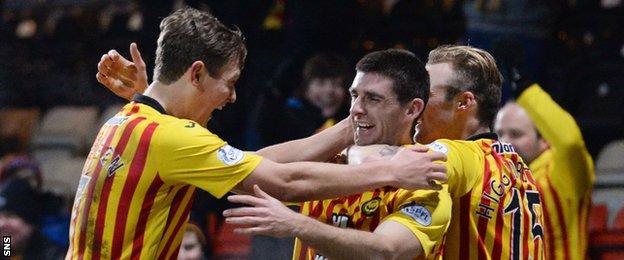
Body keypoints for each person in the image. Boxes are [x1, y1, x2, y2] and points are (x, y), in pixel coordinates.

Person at [74, 7, 447, 260]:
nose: (233, 97)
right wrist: (392, 171)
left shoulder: (128, 118)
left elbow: (257, 164)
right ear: (198, 74)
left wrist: (353, 126)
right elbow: (282, 179)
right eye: (231, 83)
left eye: (371, 98)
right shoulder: (171, 137)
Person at [223, 45, 546, 260]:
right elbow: (252, 171)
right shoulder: (513, 164)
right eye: (353, 96)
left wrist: (364, 132)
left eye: (426, 92)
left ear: (463, 103)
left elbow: (385, 247)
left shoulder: (450, 161)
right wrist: (357, 120)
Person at [494, 83, 594, 260]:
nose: (504, 142)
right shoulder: (496, 175)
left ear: (545, 140)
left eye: (516, 134)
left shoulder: (562, 173)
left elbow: (570, 142)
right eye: (500, 134)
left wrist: (526, 90)